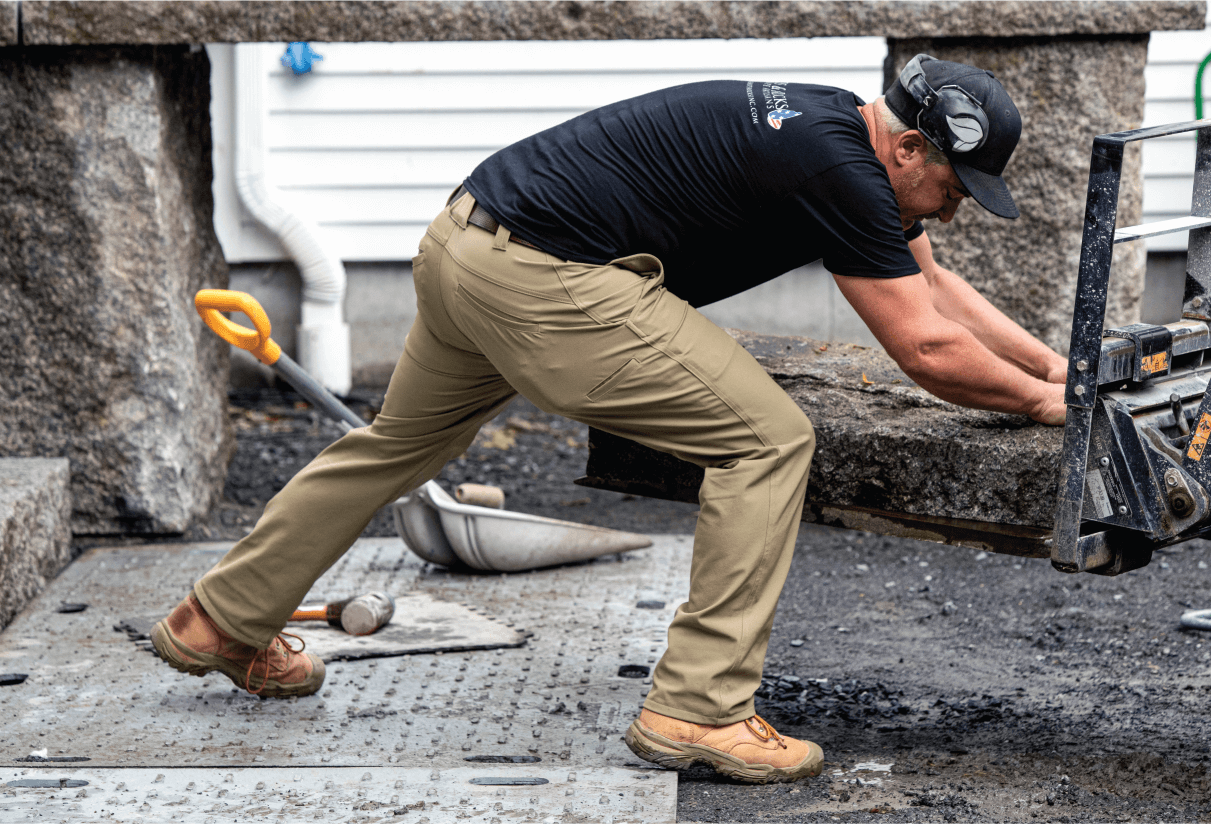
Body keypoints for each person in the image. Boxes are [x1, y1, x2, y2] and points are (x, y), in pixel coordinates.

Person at [150, 55, 1067, 784]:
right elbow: (926, 349)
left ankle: (222, 618)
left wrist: (1057, 372)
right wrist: (1035, 405)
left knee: (395, 444)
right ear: (911, 149)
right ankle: (700, 708)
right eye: (956, 187)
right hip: (549, 279)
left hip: (464, 240)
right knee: (768, 439)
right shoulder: (842, 168)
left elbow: (937, 287)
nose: (957, 208)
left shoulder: (834, 125)